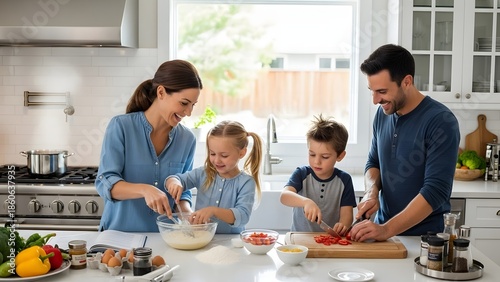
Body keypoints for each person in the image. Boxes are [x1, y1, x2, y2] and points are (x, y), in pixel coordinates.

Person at [351, 44, 460, 242]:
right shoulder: (383, 113)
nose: (375, 100)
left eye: (382, 91)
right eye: (372, 91)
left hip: (427, 241)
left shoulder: (441, 121)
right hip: (386, 235)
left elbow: (435, 191)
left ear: (407, 81)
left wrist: (385, 230)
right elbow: (373, 163)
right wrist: (371, 192)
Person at [95, 59, 203, 232]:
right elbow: (106, 184)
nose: (188, 112)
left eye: (193, 105)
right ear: (161, 92)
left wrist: (187, 214)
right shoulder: (121, 127)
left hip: (164, 238)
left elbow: (181, 192)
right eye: (184, 103)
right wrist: (145, 190)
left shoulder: (187, 139)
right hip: (118, 236)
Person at [166, 120, 263, 234]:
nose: (217, 160)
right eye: (212, 154)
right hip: (201, 239)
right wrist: (174, 183)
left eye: (224, 155)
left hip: (231, 242)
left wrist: (214, 211)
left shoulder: (246, 182)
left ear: (241, 153)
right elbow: (176, 179)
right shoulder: (203, 173)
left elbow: (243, 216)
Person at [280, 114, 356, 235]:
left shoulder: (344, 180)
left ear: (340, 156)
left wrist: (343, 225)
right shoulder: (301, 174)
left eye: (325, 157)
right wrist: (306, 202)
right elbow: (284, 196)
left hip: (329, 242)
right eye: (312, 154)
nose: (316, 161)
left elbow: (347, 216)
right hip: (299, 240)